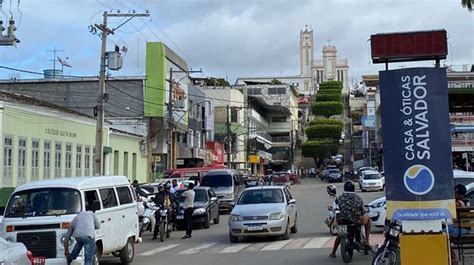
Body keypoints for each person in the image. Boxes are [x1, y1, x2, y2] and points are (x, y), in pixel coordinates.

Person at [329, 181, 372, 258]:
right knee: (368, 219)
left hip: (342, 221)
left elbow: (335, 210)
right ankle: (367, 241)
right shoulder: (358, 198)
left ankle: (333, 252)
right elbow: (362, 211)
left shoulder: (339, 198)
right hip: (355, 221)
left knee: (340, 234)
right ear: (354, 188)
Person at [64, 200, 100, 265]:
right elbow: (98, 226)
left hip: (78, 236)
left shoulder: (75, 219)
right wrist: (90, 226)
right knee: (88, 259)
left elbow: (66, 239)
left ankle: (70, 257)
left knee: (80, 242)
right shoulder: (91, 214)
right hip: (88, 236)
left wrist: (66, 251)